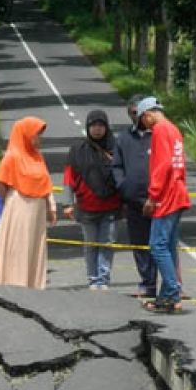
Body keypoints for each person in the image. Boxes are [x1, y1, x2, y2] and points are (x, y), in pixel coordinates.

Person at [0, 117, 57, 288]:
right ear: (26, 134)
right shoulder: (12, 156)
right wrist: (9, 202)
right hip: (19, 206)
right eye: (36, 135)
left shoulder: (38, 157)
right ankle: (14, 283)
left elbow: (46, 182)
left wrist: (51, 205)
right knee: (18, 246)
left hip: (37, 209)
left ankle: (33, 284)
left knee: (33, 246)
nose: (39, 139)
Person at [136, 97, 190, 313]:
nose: (145, 126)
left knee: (157, 245)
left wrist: (152, 196)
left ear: (148, 114)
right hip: (178, 191)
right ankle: (168, 293)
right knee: (167, 246)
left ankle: (171, 293)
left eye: (143, 120)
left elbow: (162, 165)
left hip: (166, 195)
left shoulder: (159, 130)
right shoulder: (173, 129)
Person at [63, 110, 122, 290]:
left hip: (111, 206)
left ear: (106, 127)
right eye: (93, 125)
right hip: (86, 207)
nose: (97, 129)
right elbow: (69, 178)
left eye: (101, 125)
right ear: (88, 127)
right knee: (91, 244)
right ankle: (93, 278)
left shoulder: (116, 148)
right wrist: (68, 203)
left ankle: (103, 278)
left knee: (107, 243)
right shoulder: (77, 150)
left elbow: (123, 174)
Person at [111, 95, 158, 298]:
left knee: (159, 243)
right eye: (131, 113)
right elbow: (116, 166)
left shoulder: (158, 134)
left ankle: (165, 283)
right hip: (133, 201)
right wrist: (123, 187)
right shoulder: (123, 138)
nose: (134, 116)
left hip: (157, 200)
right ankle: (146, 282)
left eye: (136, 112)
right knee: (139, 243)